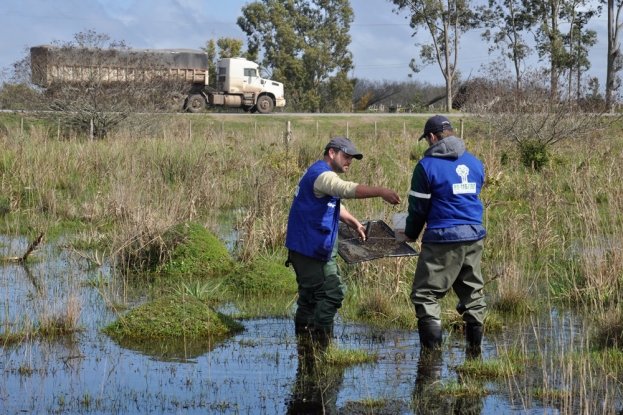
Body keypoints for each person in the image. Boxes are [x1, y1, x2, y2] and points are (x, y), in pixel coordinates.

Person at [285, 137, 401, 341]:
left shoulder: (317, 173)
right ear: (332, 153)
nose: (349, 162)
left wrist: (354, 222)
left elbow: (330, 202)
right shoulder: (322, 175)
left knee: (309, 299)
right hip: (312, 250)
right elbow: (344, 190)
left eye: (352, 158)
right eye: (346, 156)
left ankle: (304, 344)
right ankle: (322, 341)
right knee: (333, 292)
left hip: (302, 248)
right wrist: (380, 191)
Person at [402, 115, 487, 354]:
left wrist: (410, 233)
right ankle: (475, 355)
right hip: (473, 236)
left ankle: (431, 360)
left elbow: (418, 209)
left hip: (442, 238)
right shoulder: (475, 163)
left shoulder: (426, 166)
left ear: (431, 137)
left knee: (426, 294)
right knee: (472, 294)